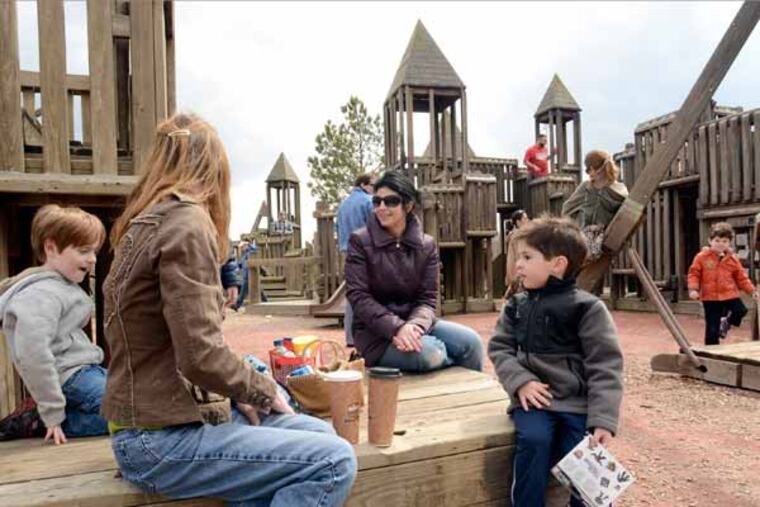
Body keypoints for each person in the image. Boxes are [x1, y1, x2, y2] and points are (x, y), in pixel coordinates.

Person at [102, 113, 356, 506]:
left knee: (320, 436)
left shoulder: (144, 222)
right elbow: (200, 354)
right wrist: (262, 388)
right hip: (158, 440)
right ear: (213, 169)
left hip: (154, 422)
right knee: (333, 461)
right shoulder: (188, 224)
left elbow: (174, 346)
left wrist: (231, 396)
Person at [488, 216, 624, 507]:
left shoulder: (587, 308)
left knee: (585, 458)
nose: (518, 265)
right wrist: (520, 382)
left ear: (558, 264)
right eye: (518, 257)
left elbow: (605, 366)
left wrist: (603, 420)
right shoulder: (516, 306)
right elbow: (500, 348)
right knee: (534, 441)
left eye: (527, 257)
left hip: (577, 404)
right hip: (534, 403)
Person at [344, 170, 484, 372]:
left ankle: (471, 400)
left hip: (418, 325)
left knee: (472, 343)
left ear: (408, 206)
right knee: (432, 353)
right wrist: (397, 328)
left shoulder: (426, 245)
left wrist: (414, 326)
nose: (382, 207)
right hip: (376, 335)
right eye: (377, 201)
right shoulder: (359, 241)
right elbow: (358, 297)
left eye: (391, 201)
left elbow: (427, 299)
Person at [0, 205, 108, 444]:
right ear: (50, 248)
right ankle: (38, 420)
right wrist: (52, 413)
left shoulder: (61, 285)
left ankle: (47, 415)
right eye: (83, 251)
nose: (92, 259)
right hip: (70, 377)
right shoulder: (40, 295)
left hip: (85, 372)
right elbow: (33, 354)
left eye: (94, 251)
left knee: (139, 400)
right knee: (132, 412)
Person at [687, 222, 759, 345]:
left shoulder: (732, 259)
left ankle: (726, 323)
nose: (721, 244)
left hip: (729, 294)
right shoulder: (701, 257)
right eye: (717, 240)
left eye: (725, 241)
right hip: (710, 297)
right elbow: (694, 274)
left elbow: (741, 277)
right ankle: (710, 352)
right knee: (712, 328)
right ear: (710, 241)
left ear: (729, 242)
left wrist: (752, 291)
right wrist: (693, 289)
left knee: (741, 310)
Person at [561, 150, 629, 261]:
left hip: (589, 237)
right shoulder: (621, 190)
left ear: (592, 169)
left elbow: (566, 209)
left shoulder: (587, 187)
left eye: (587, 170)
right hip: (610, 237)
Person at [336, 173, 375, 346]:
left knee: (353, 295)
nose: (374, 189)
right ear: (363, 184)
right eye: (373, 185)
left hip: (347, 252)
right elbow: (374, 227)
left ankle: (350, 337)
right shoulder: (368, 201)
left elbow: (338, 228)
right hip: (366, 251)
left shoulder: (343, 205)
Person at [504, 209, 530, 299]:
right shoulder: (517, 236)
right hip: (518, 271)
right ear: (518, 222)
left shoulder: (518, 235)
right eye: (525, 219)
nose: (528, 220)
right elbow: (518, 255)